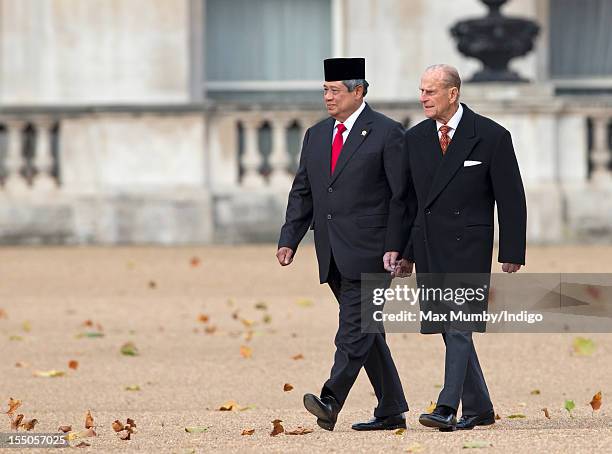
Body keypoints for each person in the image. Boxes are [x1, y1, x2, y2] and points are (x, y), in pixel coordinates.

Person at [276, 58, 416, 431]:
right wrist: (290, 237)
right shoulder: (317, 134)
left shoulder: (388, 132)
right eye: (324, 89)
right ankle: (391, 409)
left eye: (334, 90)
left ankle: (331, 399)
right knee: (368, 331)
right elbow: (303, 190)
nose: (327, 96)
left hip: (375, 251)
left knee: (353, 328)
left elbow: (402, 196)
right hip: (333, 251)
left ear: (359, 91)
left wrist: (400, 247)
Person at [396, 64, 527, 431]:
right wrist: (403, 251)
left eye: (430, 91)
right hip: (427, 245)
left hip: (469, 244)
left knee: (458, 325)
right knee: (447, 325)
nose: (422, 98)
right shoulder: (415, 138)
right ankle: (480, 407)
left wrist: (512, 251)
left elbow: (511, 197)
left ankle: (446, 406)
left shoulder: (490, 135)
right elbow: (409, 202)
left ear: (453, 93)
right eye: (421, 91)